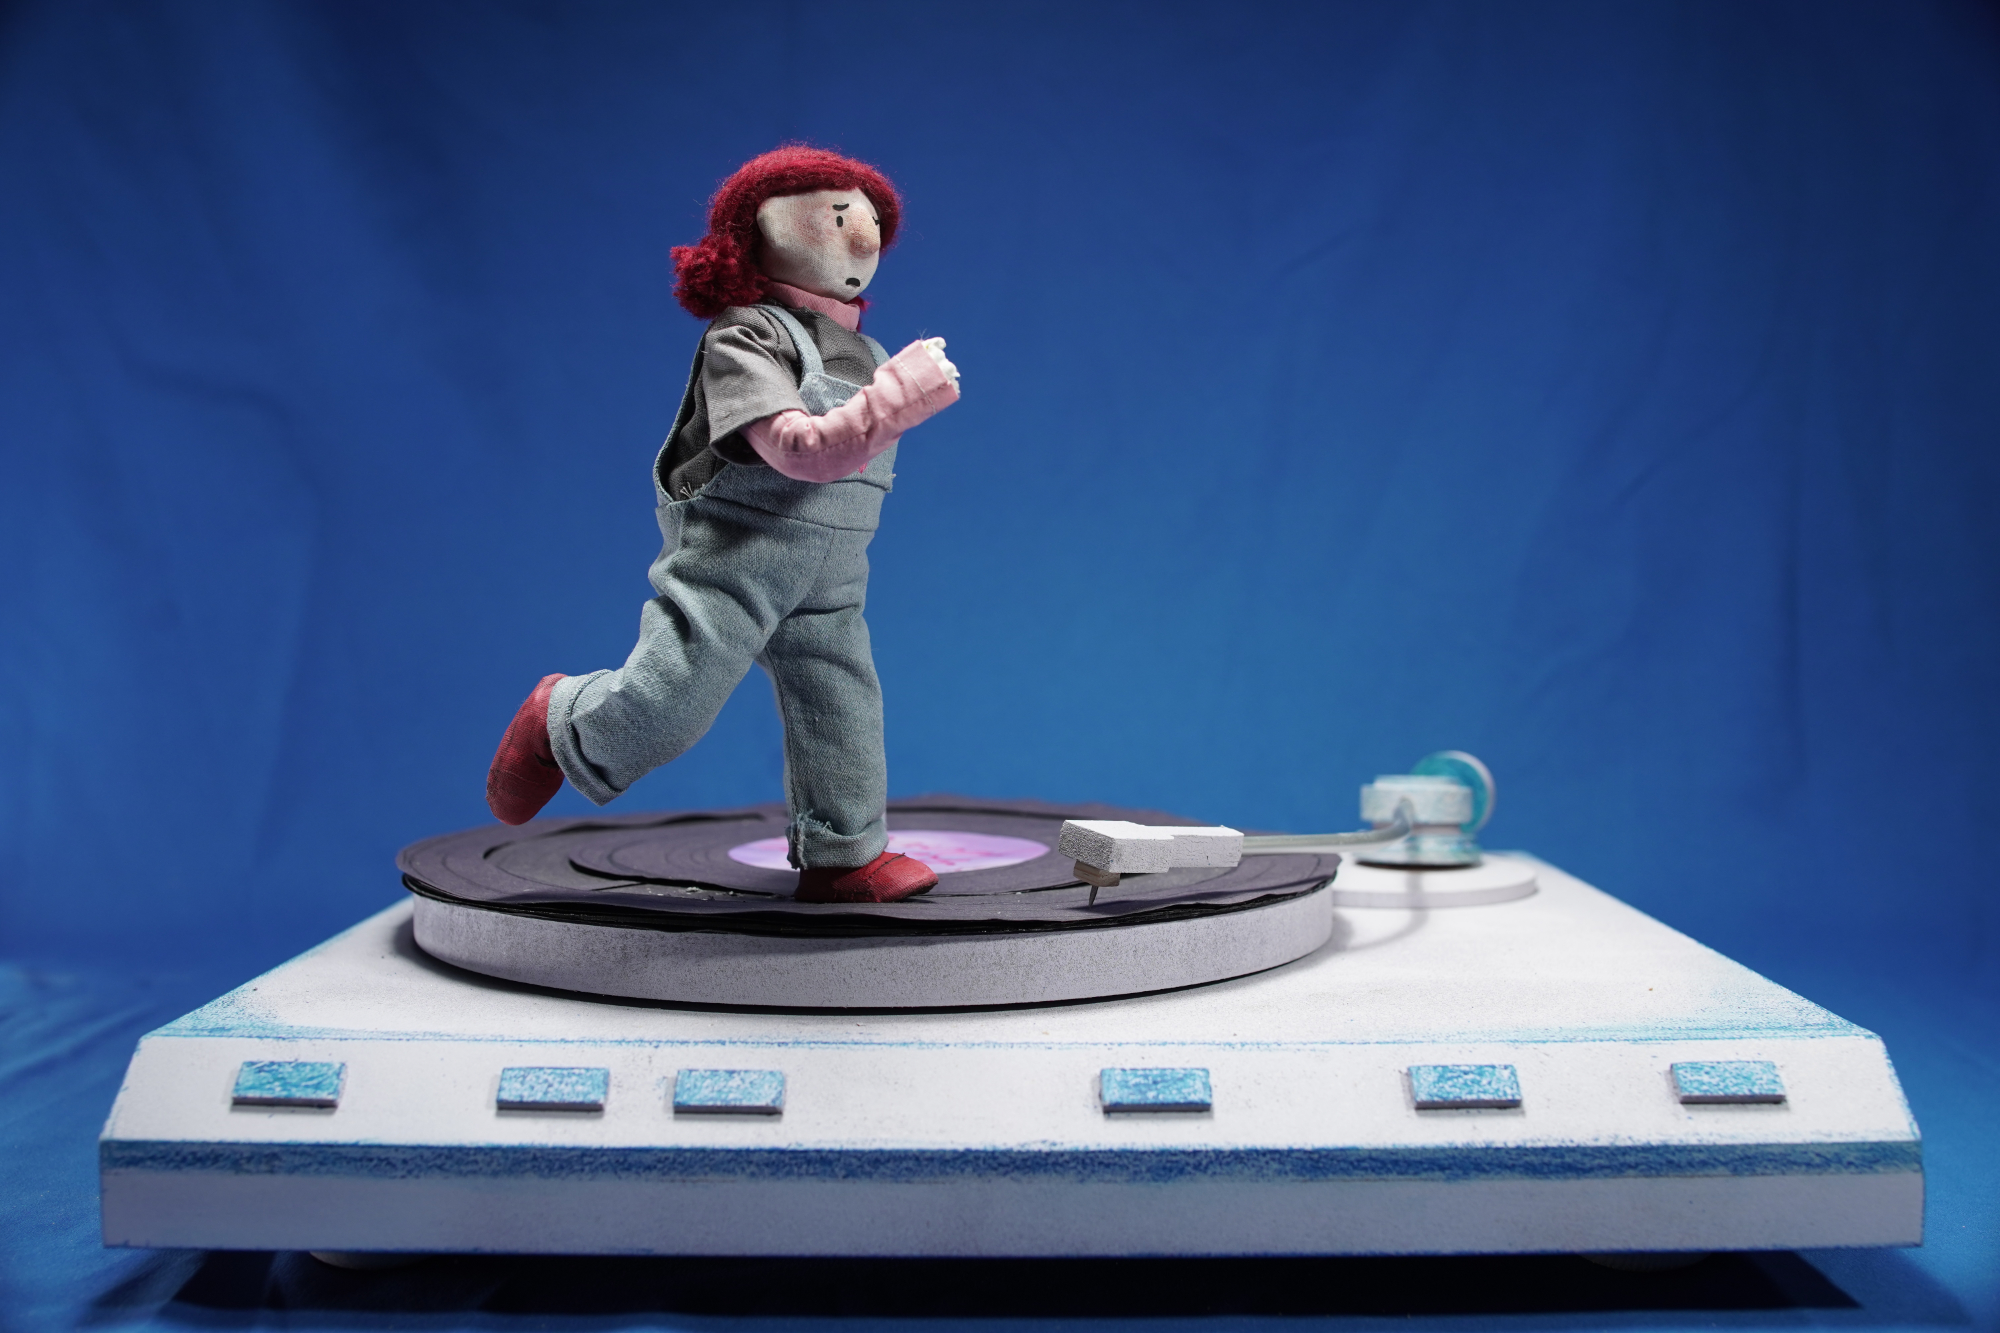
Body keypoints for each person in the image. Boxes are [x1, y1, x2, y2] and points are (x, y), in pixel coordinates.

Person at [484, 147, 960, 904]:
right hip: (737, 553)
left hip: (834, 571)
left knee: (842, 709)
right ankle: (564, 719)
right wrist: (896, 399)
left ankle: (843, 854)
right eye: (838, 216)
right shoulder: (747, 338)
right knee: (670, 703)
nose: (863, 236)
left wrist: (890, 388)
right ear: (759, 233)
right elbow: (800, 450)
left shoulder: (869, 353)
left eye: (869, 218)